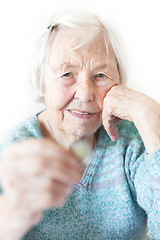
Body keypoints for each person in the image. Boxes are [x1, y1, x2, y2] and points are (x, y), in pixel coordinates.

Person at [0, 10, 159, 240]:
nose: (85, 94)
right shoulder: (12, 151)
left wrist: (152, 118)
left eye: (101, 75)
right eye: (67, 74)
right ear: (41, 78)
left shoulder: (134, 142)